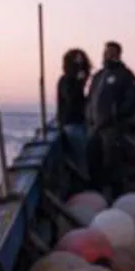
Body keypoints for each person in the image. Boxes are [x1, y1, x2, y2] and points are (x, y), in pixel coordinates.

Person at [85, 41, 135, 200]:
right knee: (93, 160)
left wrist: (116, 116)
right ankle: (97, 197)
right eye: (105, 51)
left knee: (114, 164)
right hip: (95, 127)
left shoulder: (125, 75)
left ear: (117, 54)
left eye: (110, 52)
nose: (106, 54)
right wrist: (88, 117)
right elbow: (91, 98)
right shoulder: (98, 76)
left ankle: (117, 198)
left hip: (113, 128)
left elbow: (131, 100)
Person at [55, 48, 91, 177]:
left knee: (84, 155)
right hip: (72, 124)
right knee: (82, 158)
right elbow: (71, 98)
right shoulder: (66, 80)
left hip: (79, 123)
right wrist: (80, 83)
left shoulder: (70, 80)